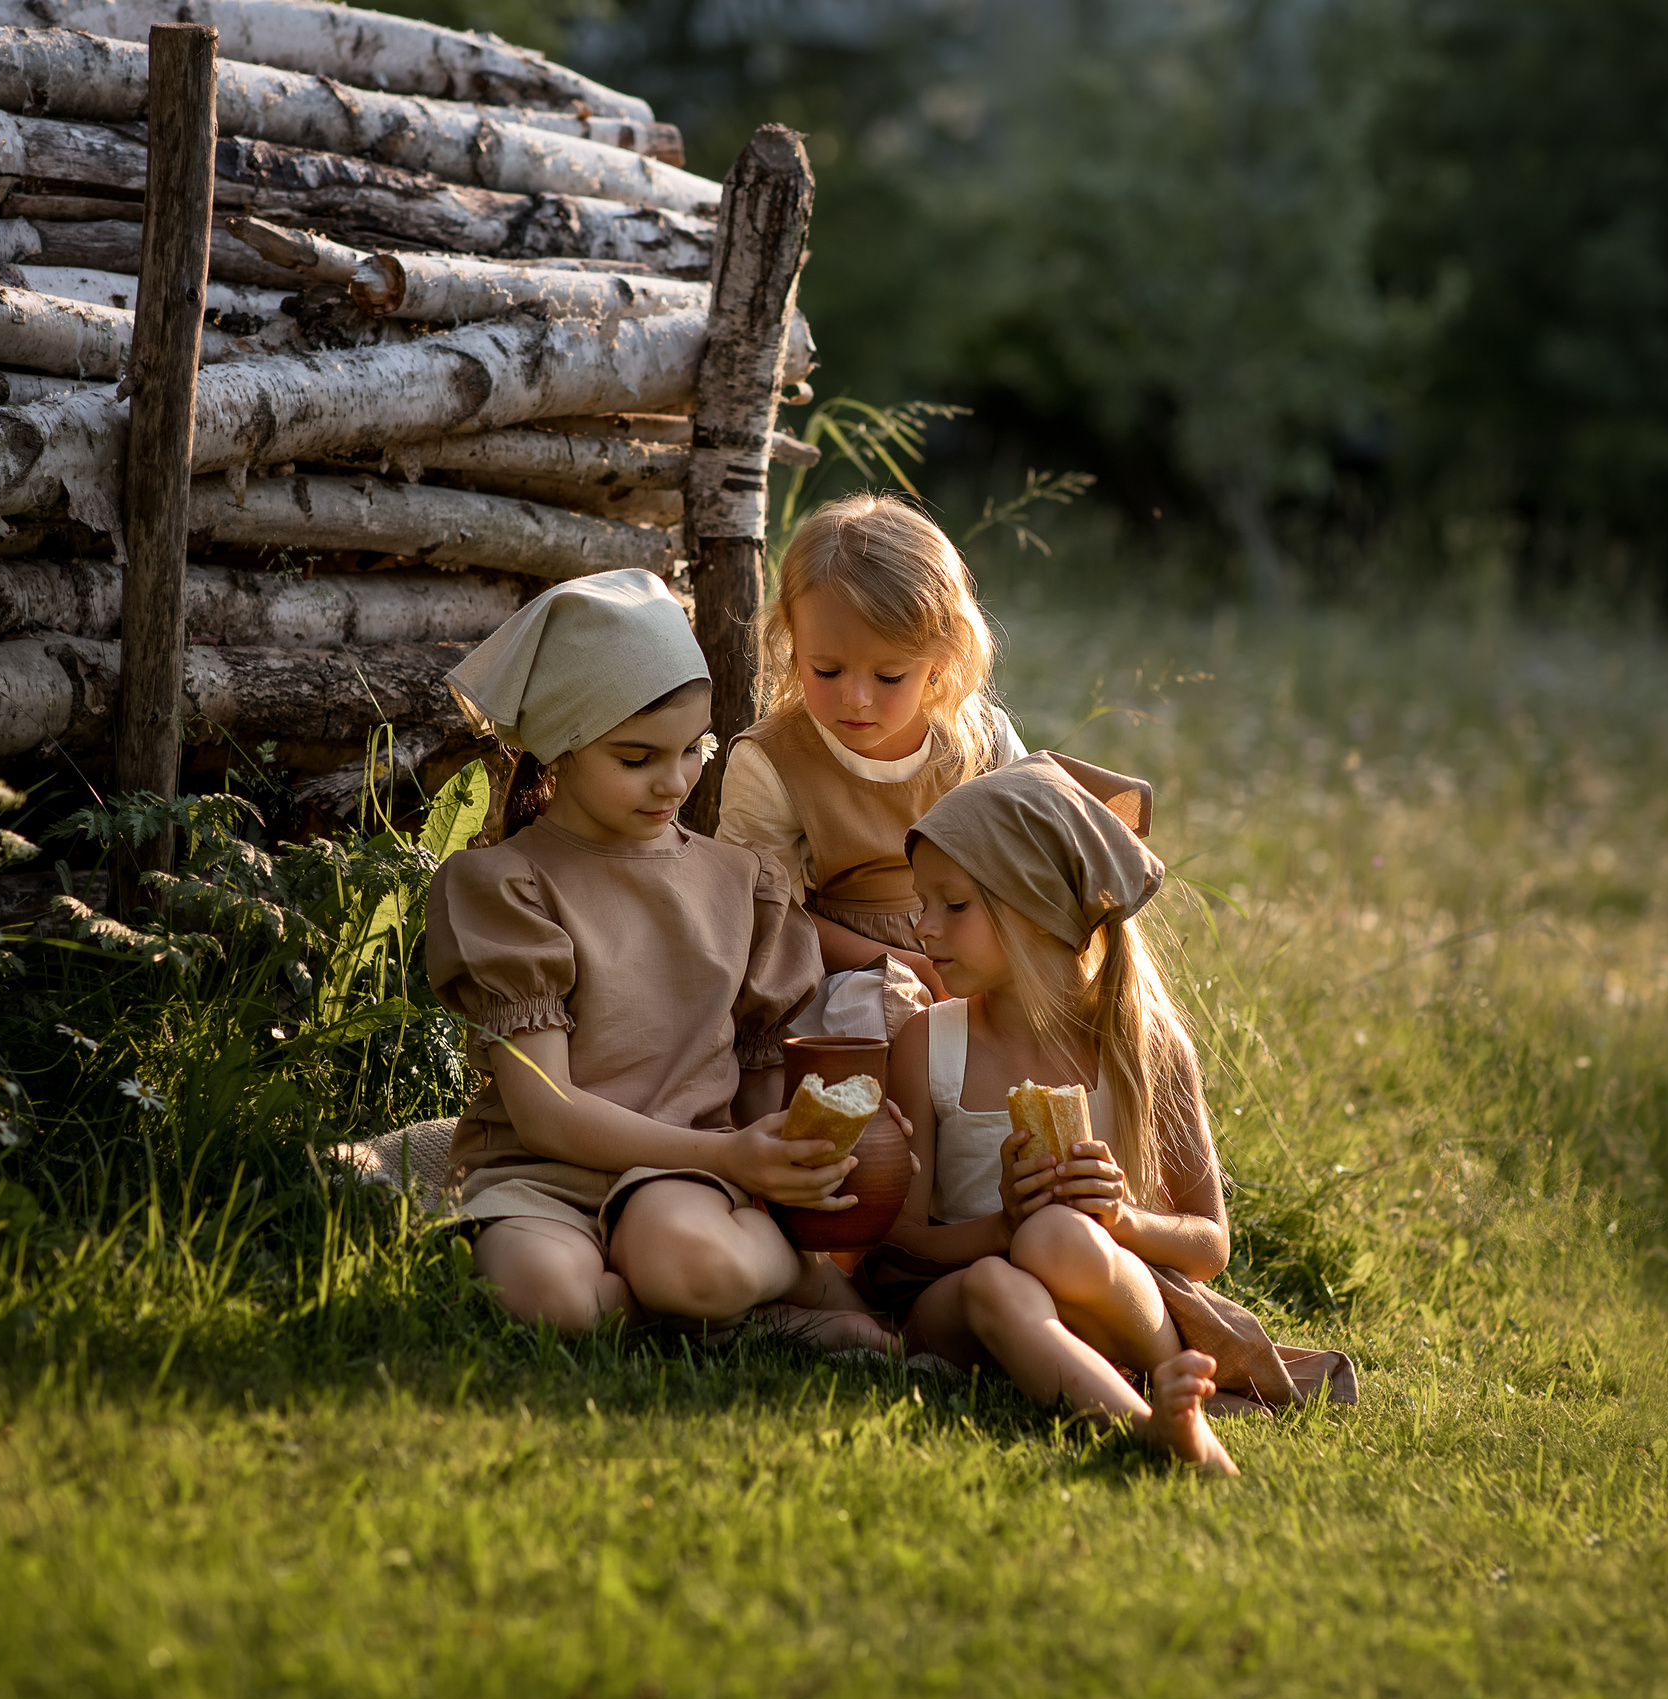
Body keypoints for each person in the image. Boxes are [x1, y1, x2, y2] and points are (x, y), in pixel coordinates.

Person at [423, 569, 888, 1348]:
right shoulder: (505, 885)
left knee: (685, 1254)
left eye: (693, 749)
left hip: (684, 1185)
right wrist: (731, 1152)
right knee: (545, 1296)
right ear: (560, 748)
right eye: (637, 757)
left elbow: (758, 1099)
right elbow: (544, 1111)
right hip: (539, 1179)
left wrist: (782, 1150)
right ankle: (740, 1321)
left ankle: (761, 1287)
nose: (674, 781)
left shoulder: (741, 885)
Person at [872, 753, 1358, 1474]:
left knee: (1059, 1238)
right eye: (923, 902)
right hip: (964, 1302)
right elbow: (900, 1240)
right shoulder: (929, 1042)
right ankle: (1154, 1421)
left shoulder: (1143, 1044)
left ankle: (1161, 1386)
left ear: (1036, 910)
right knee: (1006, 1271)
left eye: (954, 905)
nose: (923, 928)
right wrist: (1001, 1226)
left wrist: (1122, 1220)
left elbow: (1208, 1241)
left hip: (1103, 1287)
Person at [716, 494, 1026, 1042]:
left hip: (974, 950)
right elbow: (767, 917)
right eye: (828, 670)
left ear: (943, 657)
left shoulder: (978, 743)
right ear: (792, 643)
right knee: (877, 1015)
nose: (855, 699)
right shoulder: (774, 762)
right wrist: (910, 965)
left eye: (888, 677)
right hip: (841, 970)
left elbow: (1032, 863)